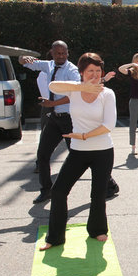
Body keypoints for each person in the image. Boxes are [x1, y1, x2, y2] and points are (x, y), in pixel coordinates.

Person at [39, 52, 117, 251]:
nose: (94, 75)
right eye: (90, 71)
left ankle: (97, 230)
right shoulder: (74, 91)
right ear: (81, 73)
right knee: (58, 191)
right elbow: (52, 87)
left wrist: (83, 136)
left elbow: (109, 125)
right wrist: (81, 87)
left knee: (98, 194)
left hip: (102, 151)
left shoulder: (107, 94)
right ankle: (55, 237)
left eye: (98, 71)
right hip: (78, 152)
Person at [19, 41, 82, 204]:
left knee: (80, 156)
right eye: (57, 53)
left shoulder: (72, 71)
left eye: (63, 53)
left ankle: (108, 183)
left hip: (69, 120)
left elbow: (75, 94)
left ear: (68, 53)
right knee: (42, 155)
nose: (60, 56)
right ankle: (46, 190)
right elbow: (26, 63)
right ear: (52, 53)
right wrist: (23, 58)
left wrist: (51, 104)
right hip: (54, 119)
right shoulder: (49, 65)